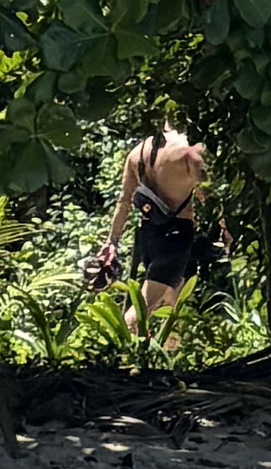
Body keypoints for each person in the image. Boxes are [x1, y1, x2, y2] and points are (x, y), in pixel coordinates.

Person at [92, 116, 221, 329]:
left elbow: (124, 201)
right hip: (176, 236)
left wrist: (111, 242)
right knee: (143, 309)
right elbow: (206, 196)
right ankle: (117, 347)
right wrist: (224, 227)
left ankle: (168, 354)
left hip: (148, 234)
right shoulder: (189, 152)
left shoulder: (137, 153)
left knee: (171, 301)